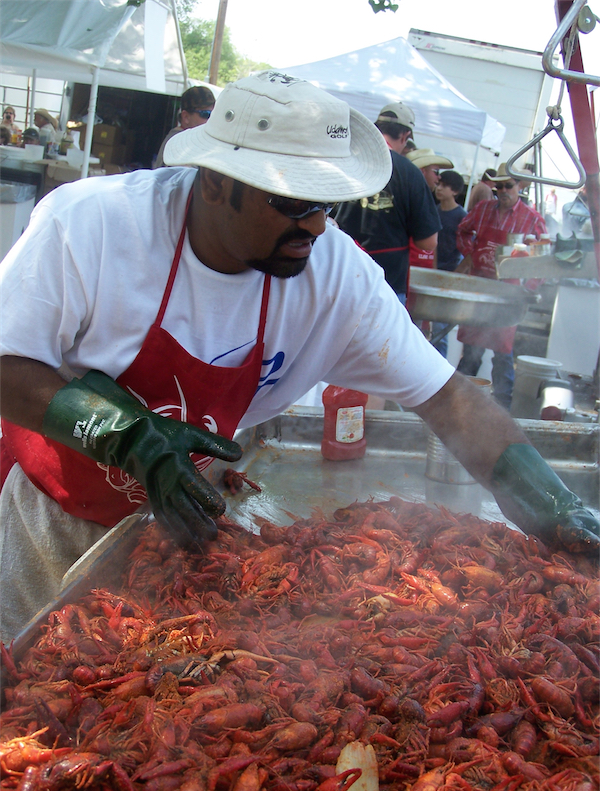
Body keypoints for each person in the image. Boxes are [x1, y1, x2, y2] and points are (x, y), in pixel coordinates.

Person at [1, 72, 596, 642]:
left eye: (327, 204)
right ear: (213, 182)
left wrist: (556, 506)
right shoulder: (93, 224)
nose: (314, 225)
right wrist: (124, 434)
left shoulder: (337, 277)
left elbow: (452, 399)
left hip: (186, 532)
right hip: (54, 523)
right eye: (291, 203)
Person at [455, 162, 547, 409]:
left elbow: (543, 259)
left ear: (519, 186)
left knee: (503, 356)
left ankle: (502, 409)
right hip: (480, 288)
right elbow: (462, 231)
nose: (503, 191)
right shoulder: (483, 209)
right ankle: (459, 403)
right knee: (471, 352)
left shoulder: (532, 219)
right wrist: (472, 253)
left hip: (509, 294)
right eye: (499, 187)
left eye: (508, 186)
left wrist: (529, 289)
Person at [335, 102, 440, 304]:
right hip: (386, 289)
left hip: (339, 279)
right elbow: (428, 242)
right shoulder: (410, 173)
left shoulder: (345, 162)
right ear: (405, 136)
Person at [430, 170, 468, 358]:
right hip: (433, 273)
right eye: (439, 184)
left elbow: (465, 249)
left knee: (440, 329)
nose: (439, 188)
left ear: (455, 191)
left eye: (445, 186)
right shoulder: (434, 210)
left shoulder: (461, 216)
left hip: (451, 273)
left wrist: (456, 274)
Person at [406, 148, 454, 269]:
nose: (438, 178)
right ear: (422, 172)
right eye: (436, 171)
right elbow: (430, 243)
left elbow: (433, 242)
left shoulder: (425, 197)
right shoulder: (409, 196)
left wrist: (433, 268)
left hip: (421, 269)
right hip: (409, 268)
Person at [155, 85, 215, 169]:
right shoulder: (179, 143)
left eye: (214, 114)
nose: (211, 119)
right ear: (186, 117)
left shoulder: (187, 139)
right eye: (206, 114)